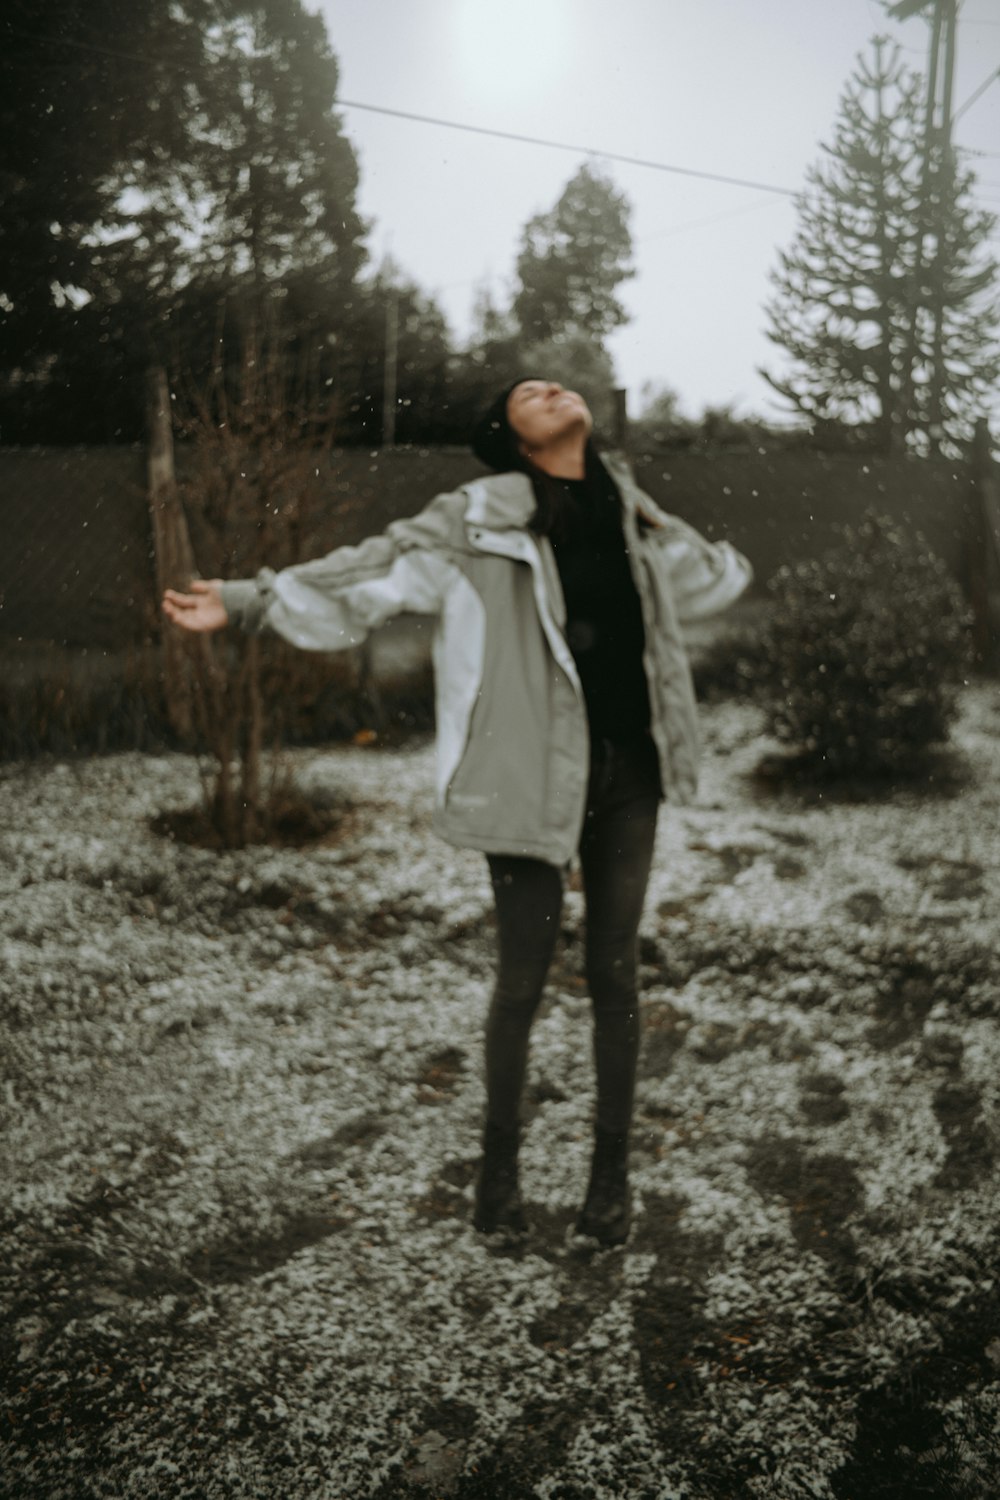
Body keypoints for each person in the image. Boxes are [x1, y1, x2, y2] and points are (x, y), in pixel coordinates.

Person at [162, 377, 752, 1247]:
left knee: (616, 974)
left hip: (631, 770)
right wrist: (253, 598)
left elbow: (707, 582)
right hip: (523, 773)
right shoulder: (478, 519)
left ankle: (610, 1184)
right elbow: (374, 571)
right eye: (527, 393)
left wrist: (665, 524)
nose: (550, 388)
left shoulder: (627, 509)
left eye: (554, 382)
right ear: (512, 438)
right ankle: (498, 1184)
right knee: (521, 981)